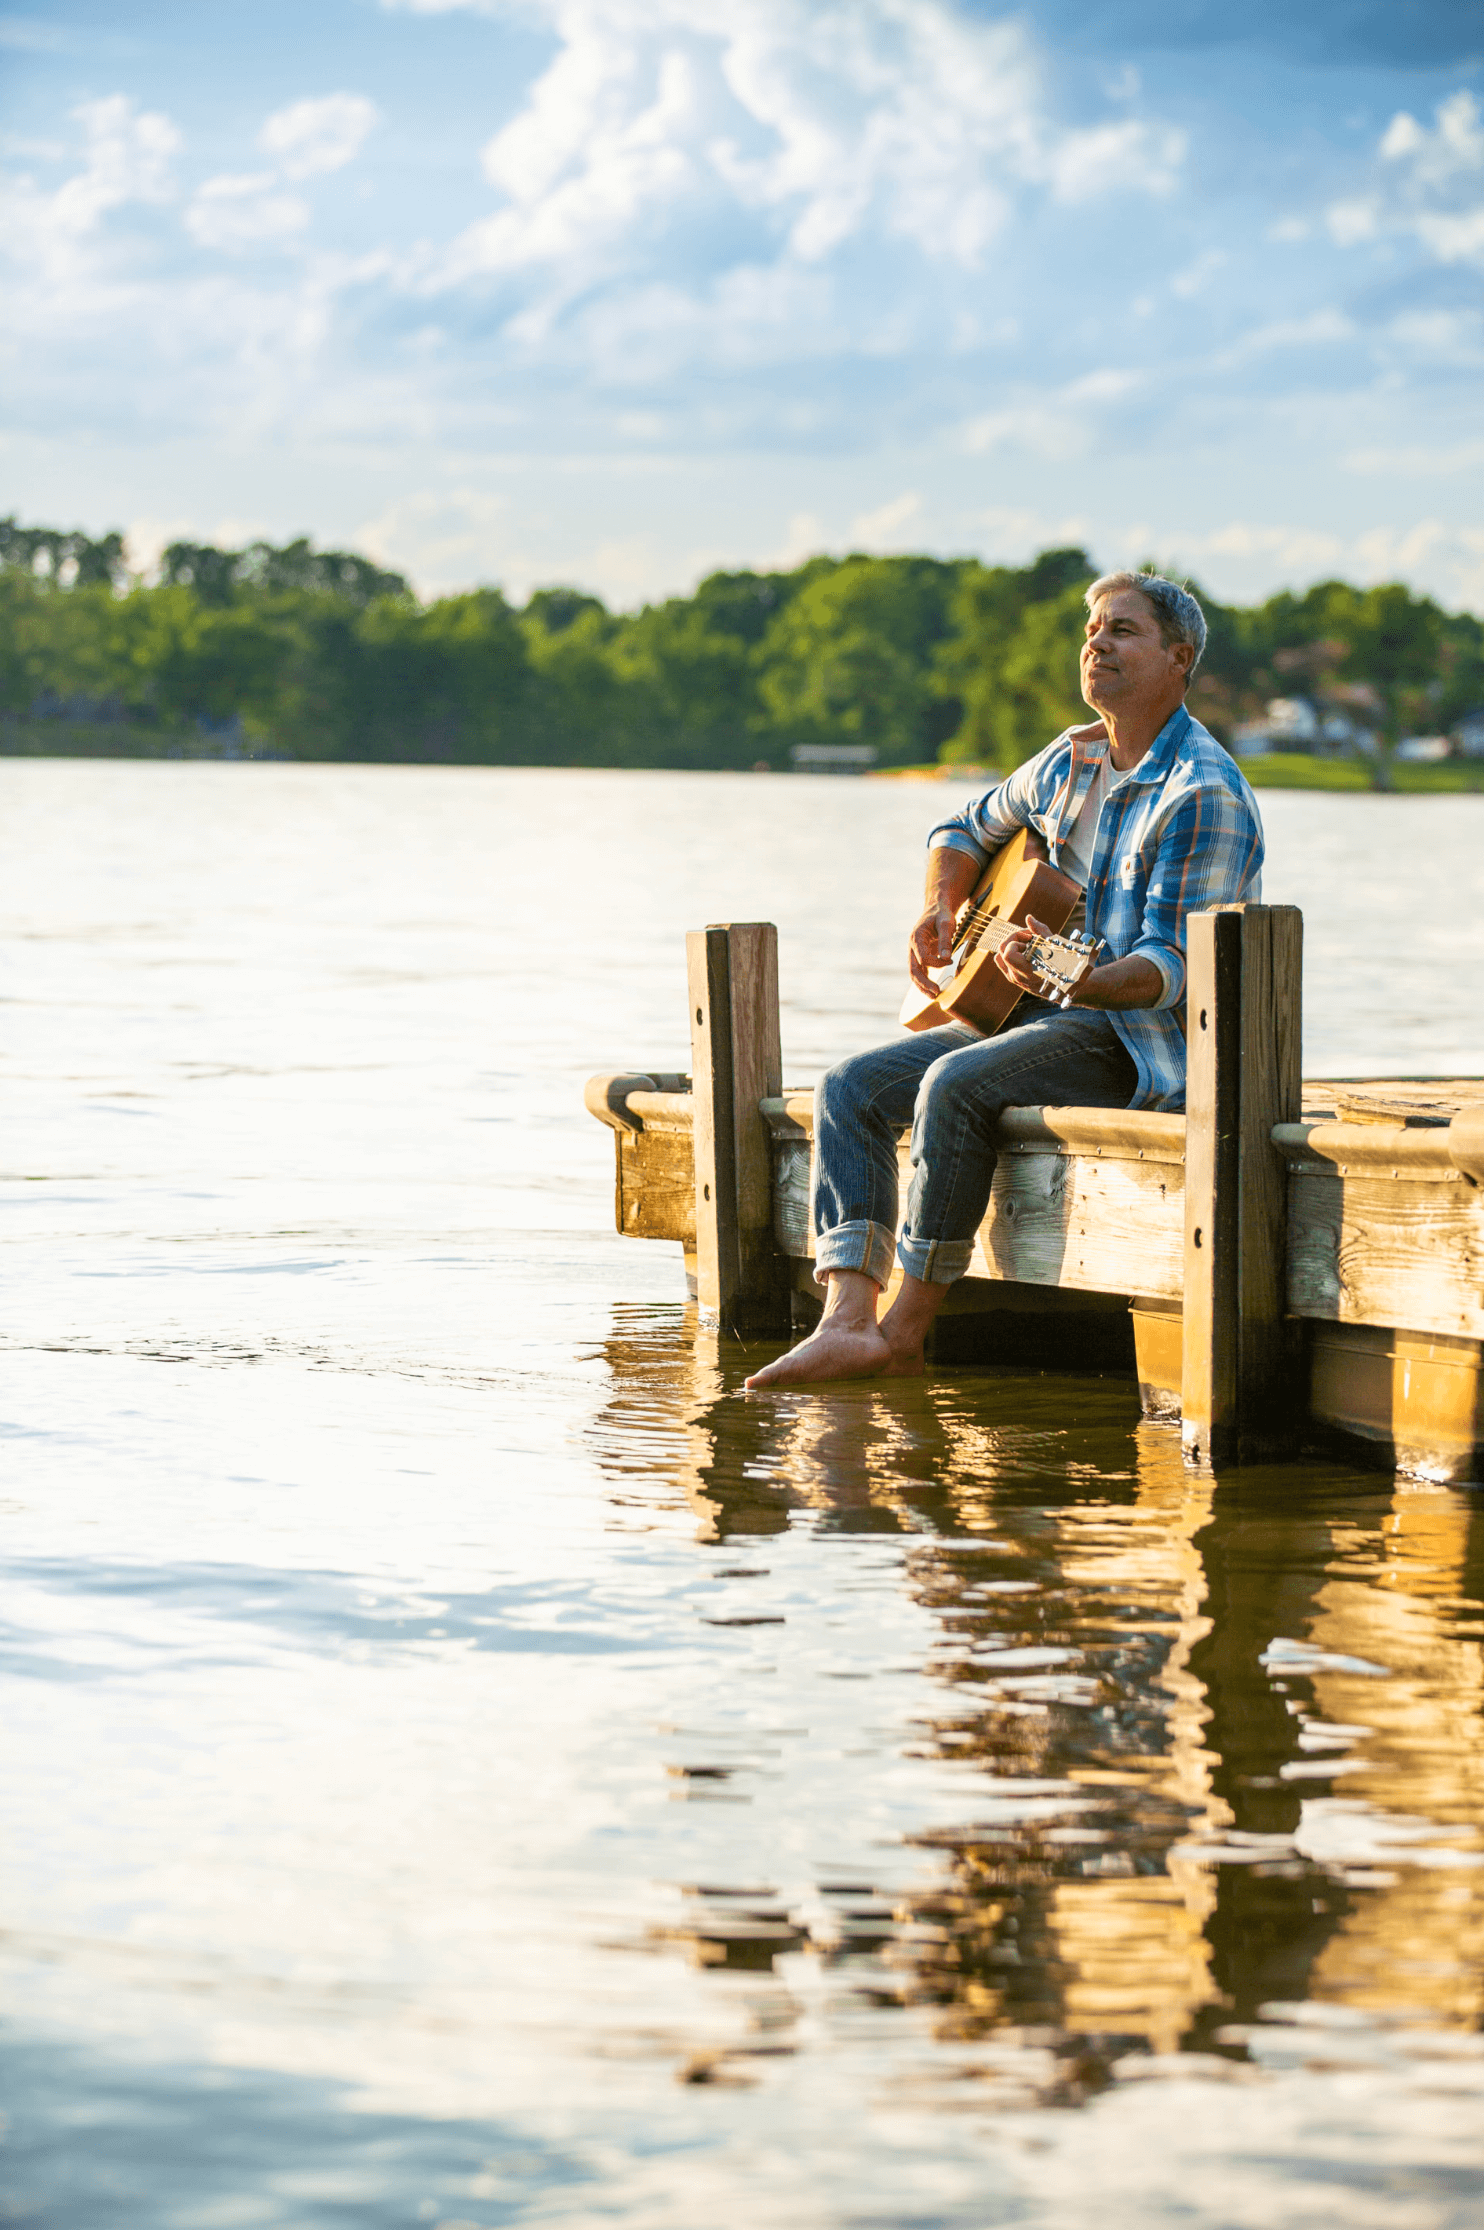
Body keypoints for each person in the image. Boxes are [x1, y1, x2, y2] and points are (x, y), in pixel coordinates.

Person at [744, 569, 1264, 1392]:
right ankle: (845, 1318)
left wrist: (1065, 971)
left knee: (953, 1081)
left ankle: (903, 1331)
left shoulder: (1203, 794)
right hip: (1032, 1016)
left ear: (1179, 656)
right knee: (849, 1085)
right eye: (1092, 629)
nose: (1097, 642)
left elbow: (1168, 971)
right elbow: (961, 826)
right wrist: (942, 905)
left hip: (1133, 1044)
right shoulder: (1070, 760)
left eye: (1123, 630)